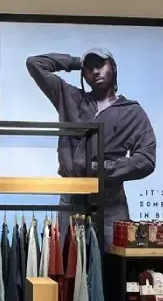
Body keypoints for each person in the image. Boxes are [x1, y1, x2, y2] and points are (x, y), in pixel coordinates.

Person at [26, 48, 156, 242]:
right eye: (89, 68)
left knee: (112, 265)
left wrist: (103, 169)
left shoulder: (132, 112)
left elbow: (146, 159)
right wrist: (78, 62)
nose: (95, 71)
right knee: (66, 265)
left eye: (100, 65)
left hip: (110, 201)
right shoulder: (71, 98)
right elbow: (35, 63)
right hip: (72, 196)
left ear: (113, 67)